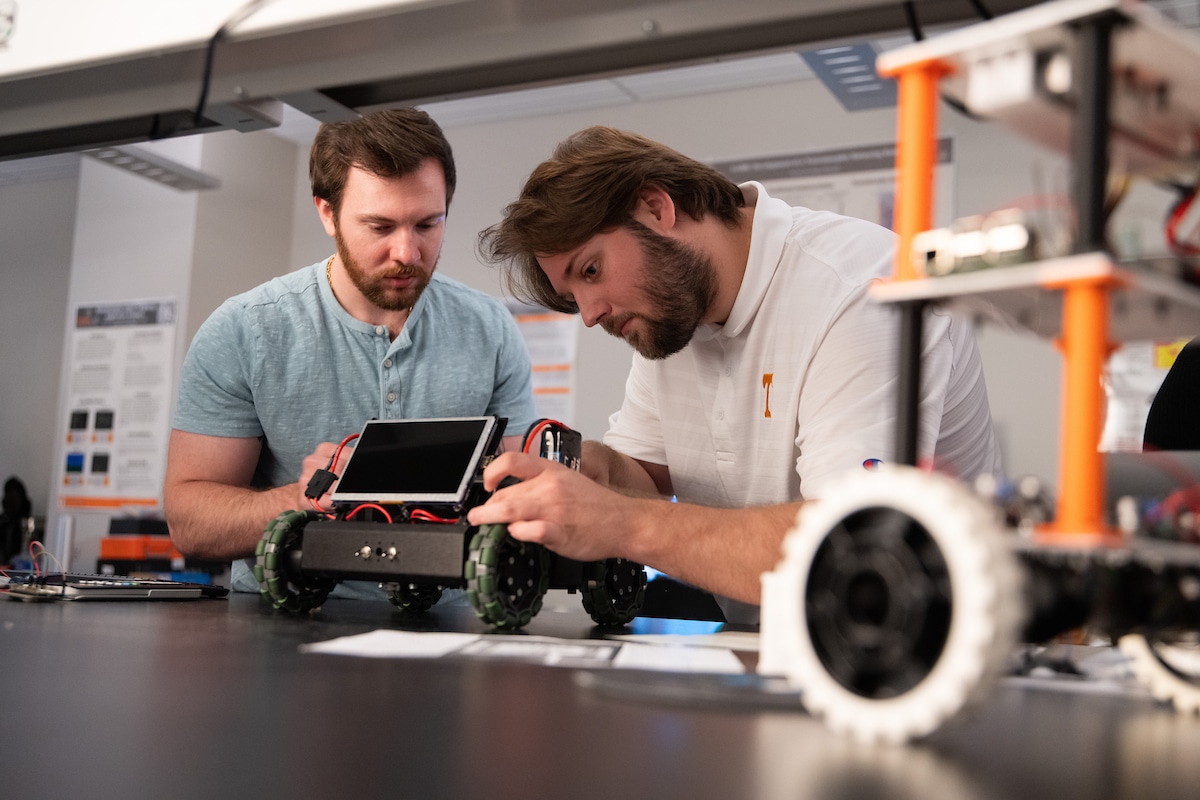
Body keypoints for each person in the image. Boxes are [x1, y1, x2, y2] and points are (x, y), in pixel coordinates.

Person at [468, 125, 1002, 622]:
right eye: (573, 295)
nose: (589, 313)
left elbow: (852, 545)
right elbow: (646, 478)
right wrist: (595, 470)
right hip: (774, 646)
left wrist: (619, 522)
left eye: (591, 270)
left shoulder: (861, 288)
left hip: (924, 647)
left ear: (656, 208)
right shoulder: (673, 318)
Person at [165, 108, 537, 599]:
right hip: (285, 630)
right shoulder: (245, 330)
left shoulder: (490, 330)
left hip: (445, 627)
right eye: (380, 227)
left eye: (428, 223)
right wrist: (298, 499)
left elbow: (518, 495)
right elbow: (190, 522)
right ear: (327, 213)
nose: (407, 252)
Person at [1, 476, 32, 564]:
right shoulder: (3, 524)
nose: (12, 503)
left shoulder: (30, 526)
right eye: (10, 499)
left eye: (15, 499)